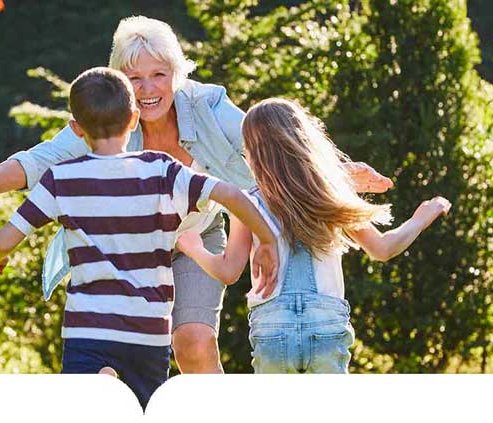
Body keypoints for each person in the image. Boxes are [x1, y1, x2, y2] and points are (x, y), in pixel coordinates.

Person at [0, 16, 392, 373]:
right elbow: (40, 160)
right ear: (118, 81)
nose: (149, 89)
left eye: (160, 74)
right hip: (128, 245)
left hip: (197, 237)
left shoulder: (209, 106)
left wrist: (338, 172)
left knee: (192, 341)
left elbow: (274, 148)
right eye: (135, 78)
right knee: (117, 356)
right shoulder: (108, 116)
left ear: (178, 72)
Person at [0, 67, 279, 405]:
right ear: (134, 119)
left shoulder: (61, 180)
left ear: (76, 129)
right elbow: (233, 195)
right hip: (147, 332)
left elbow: (2, 241)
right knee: (144, 407)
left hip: (87, 330)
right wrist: (265, 240)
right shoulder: (163, 172)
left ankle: (102, 382)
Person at [175, 98, 451, 373]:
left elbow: (228, 271)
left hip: (273, 328)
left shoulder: (247, 203)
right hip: (326, 325)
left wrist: (194, 247)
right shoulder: (327, 196)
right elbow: (383, 249)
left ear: (250, 152)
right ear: (304, 140)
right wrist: (422, 216)